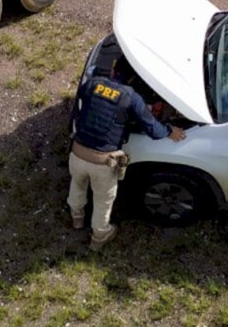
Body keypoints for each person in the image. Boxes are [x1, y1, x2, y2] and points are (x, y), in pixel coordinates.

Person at [68, 62, 185, 252]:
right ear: (134, 79)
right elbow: (154, 130)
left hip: (77, 153)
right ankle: (99, 235)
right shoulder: (131, 97)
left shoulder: (92, 84)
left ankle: (77, 217)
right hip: (103, 163)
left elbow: (84, 102)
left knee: (77, 184)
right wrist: (170, 130)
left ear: (113, 70)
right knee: (103, 200)